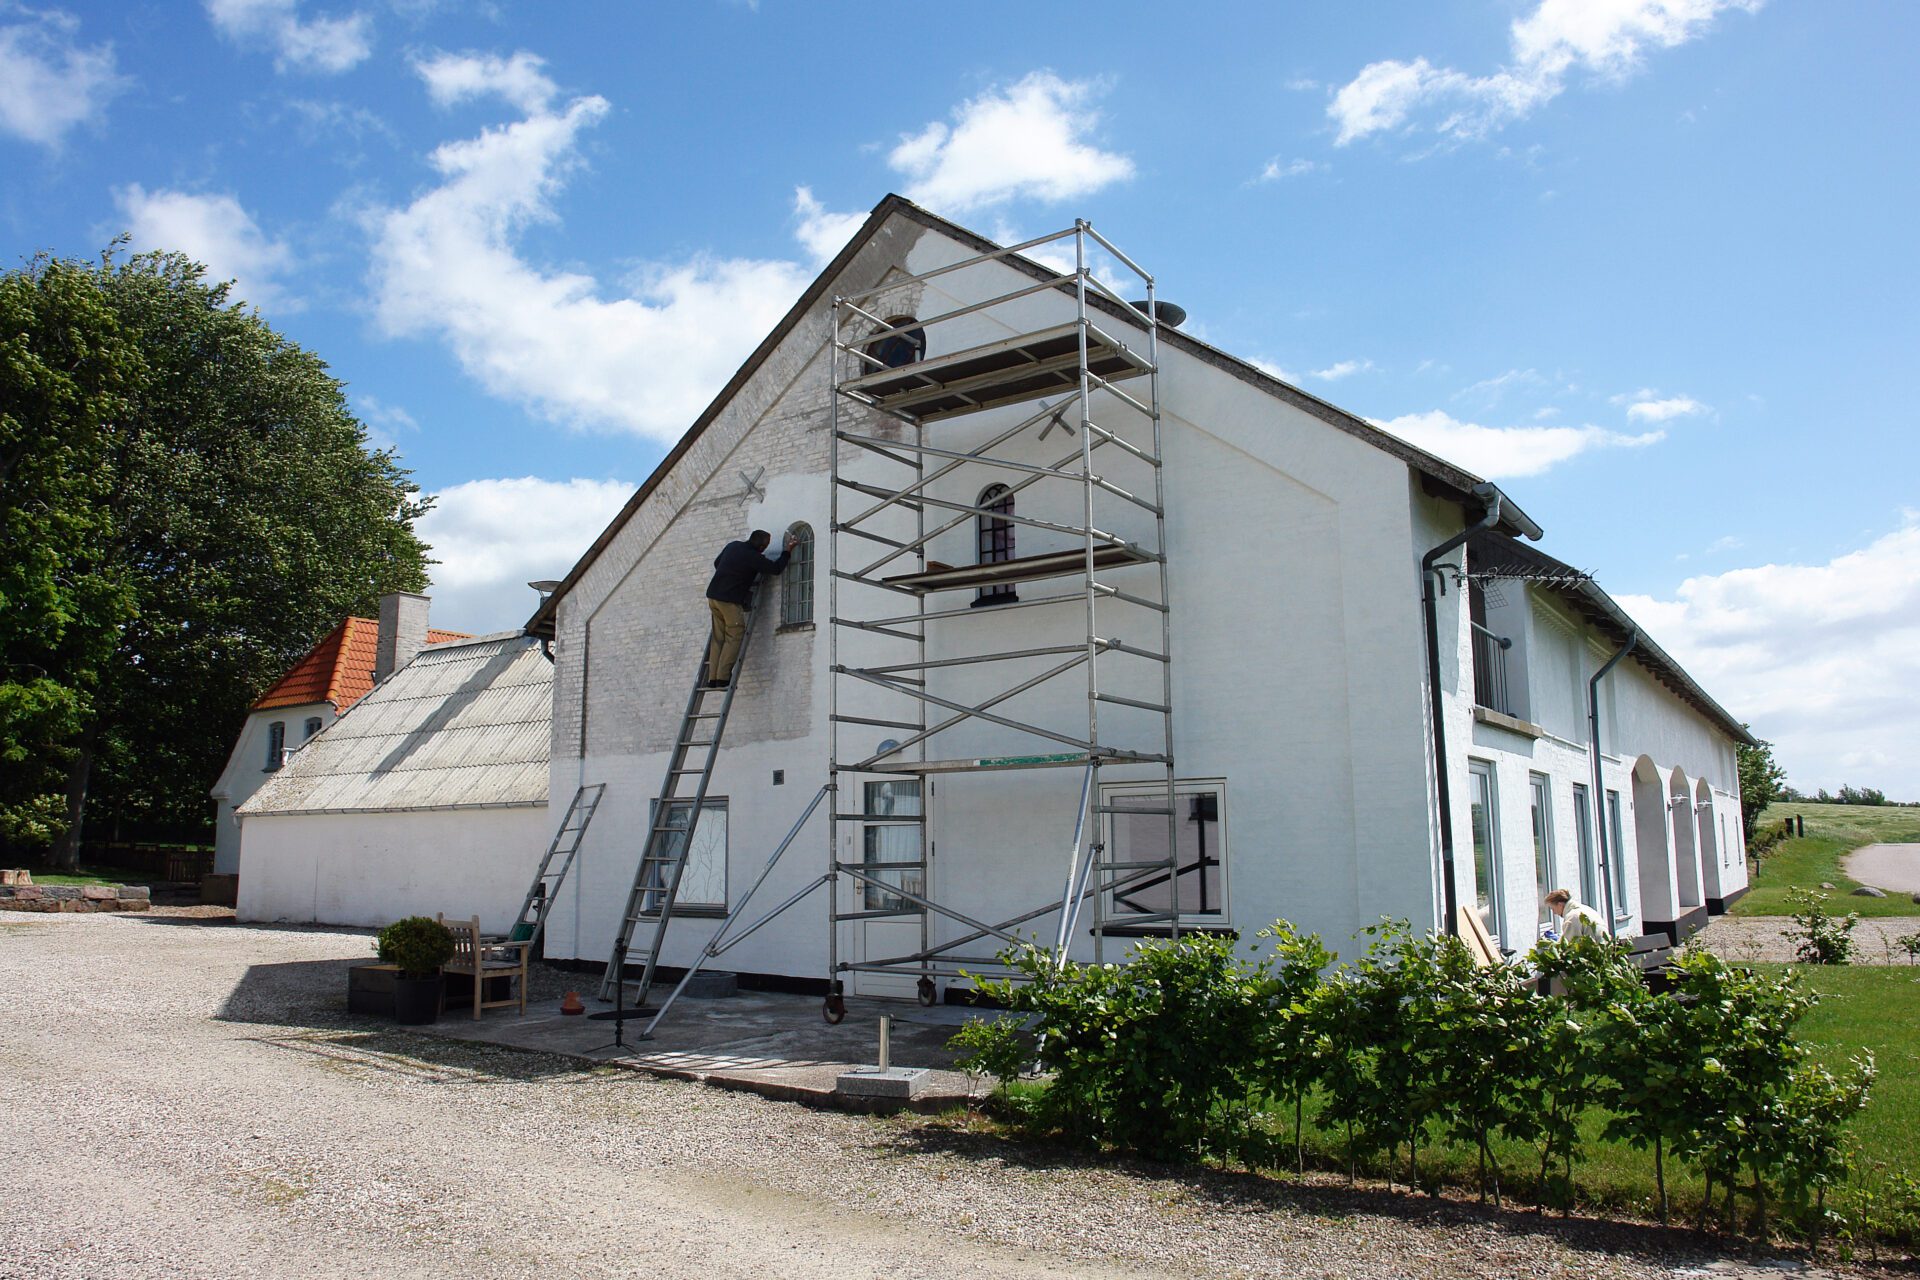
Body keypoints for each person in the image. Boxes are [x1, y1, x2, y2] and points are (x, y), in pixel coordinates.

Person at [704, 528, 798, 687]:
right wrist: (787, 551)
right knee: (735, 634)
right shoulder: (753, 557)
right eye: (766, 545)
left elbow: (716, 563)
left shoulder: (733, 546)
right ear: (761, 547)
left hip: (713, 596)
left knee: (718, 637)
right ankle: (722, 678)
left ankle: (712, 679)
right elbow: (776, 569)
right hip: (729, 601)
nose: (767, 547)